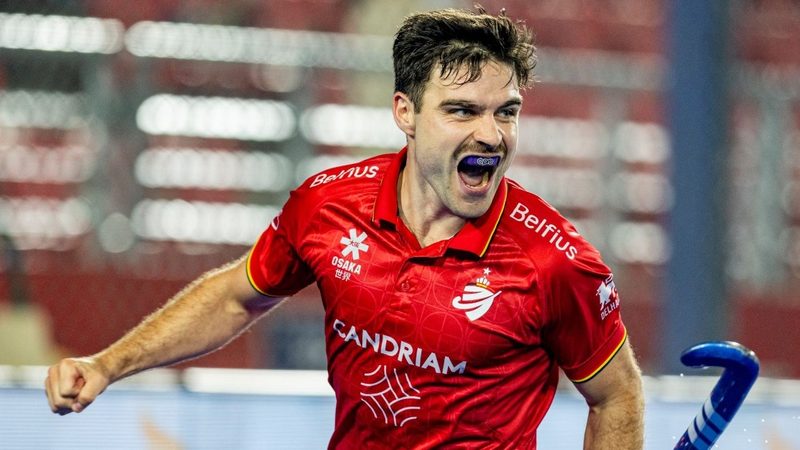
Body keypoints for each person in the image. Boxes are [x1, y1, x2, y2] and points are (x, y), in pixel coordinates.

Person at [45, 7, 645, 449]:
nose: (491, 135)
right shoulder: (328, 205)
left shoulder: (556, 260)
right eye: (462, 110)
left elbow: (617, 394)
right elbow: (235, 297)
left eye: (506, 112)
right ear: (405, 112)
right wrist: (106, 365)